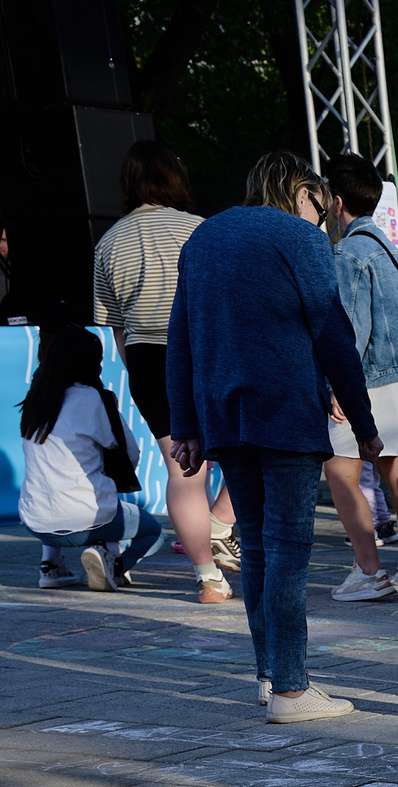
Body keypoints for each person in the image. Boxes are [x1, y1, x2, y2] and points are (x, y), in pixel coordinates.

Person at [167, 152, 378, 722]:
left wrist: (183, 424)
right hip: (284, 407)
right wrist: (364, 422)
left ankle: (270, 675)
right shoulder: (300, 238)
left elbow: (180, 338)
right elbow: (332, 332)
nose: (323, 217)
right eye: (319, 205)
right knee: (288, 548)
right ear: (301, 194)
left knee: (256, 546)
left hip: (223, 414)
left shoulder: (203, 237)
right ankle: (290, 688)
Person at [90, 139, 237, 602]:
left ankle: (207, 577)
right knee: (247, 448)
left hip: (150, 360)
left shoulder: (109, 242)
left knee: (184, 471)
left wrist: (146, 375)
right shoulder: (203, 229)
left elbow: (116, 330)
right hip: (205, 348)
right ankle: (221, 525)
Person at [320, 153, 398, 605]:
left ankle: (369, 571)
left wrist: (336, 384)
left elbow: (350, 327)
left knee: (340, 471)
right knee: (397, 469)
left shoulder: (347, 251)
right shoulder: (391, 249)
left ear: (336, 200)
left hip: (367, 377)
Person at [18, 322, 160, 590]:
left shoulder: (34, 400)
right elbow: (130, 454)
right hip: (88, 519)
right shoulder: (92, 399)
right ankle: (115, 565)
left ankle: (50, 567)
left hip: (34, 520)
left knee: (55, 486)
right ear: (91, 362)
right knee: (153, 531)